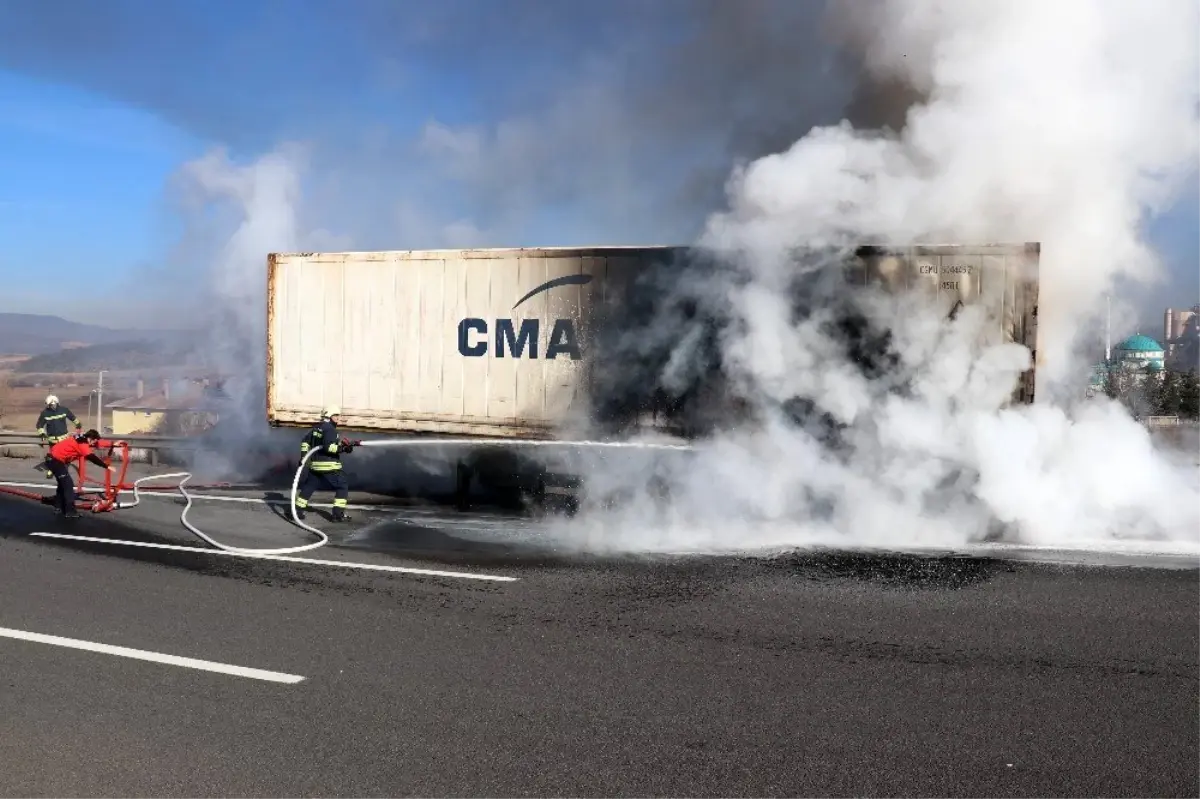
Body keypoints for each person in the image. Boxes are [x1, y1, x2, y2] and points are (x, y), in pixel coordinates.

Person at [295, 405, 354, 522]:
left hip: (315, 465)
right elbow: (329, 447)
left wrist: (303, 457)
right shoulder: (330, 429)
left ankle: (297, 510)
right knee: (342, 486)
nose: (338, 417)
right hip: (328, 465)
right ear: (330, 416)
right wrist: (343, 449)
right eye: (336, 415)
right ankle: (337, 515)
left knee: (309, 486)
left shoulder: (317, 428)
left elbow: (305, 442)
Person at [45, 429, 114, 518]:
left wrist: (112, 444)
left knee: (63, 485)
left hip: (54, 459)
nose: (93, 444)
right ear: (90, 439)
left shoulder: (82, 437)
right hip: (55, 461)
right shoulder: (83, 444)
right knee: (68, 485)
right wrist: (107, 466)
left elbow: (98, 443)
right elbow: (92, 458)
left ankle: (58, 507)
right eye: (93, 442)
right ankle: (70, 511)